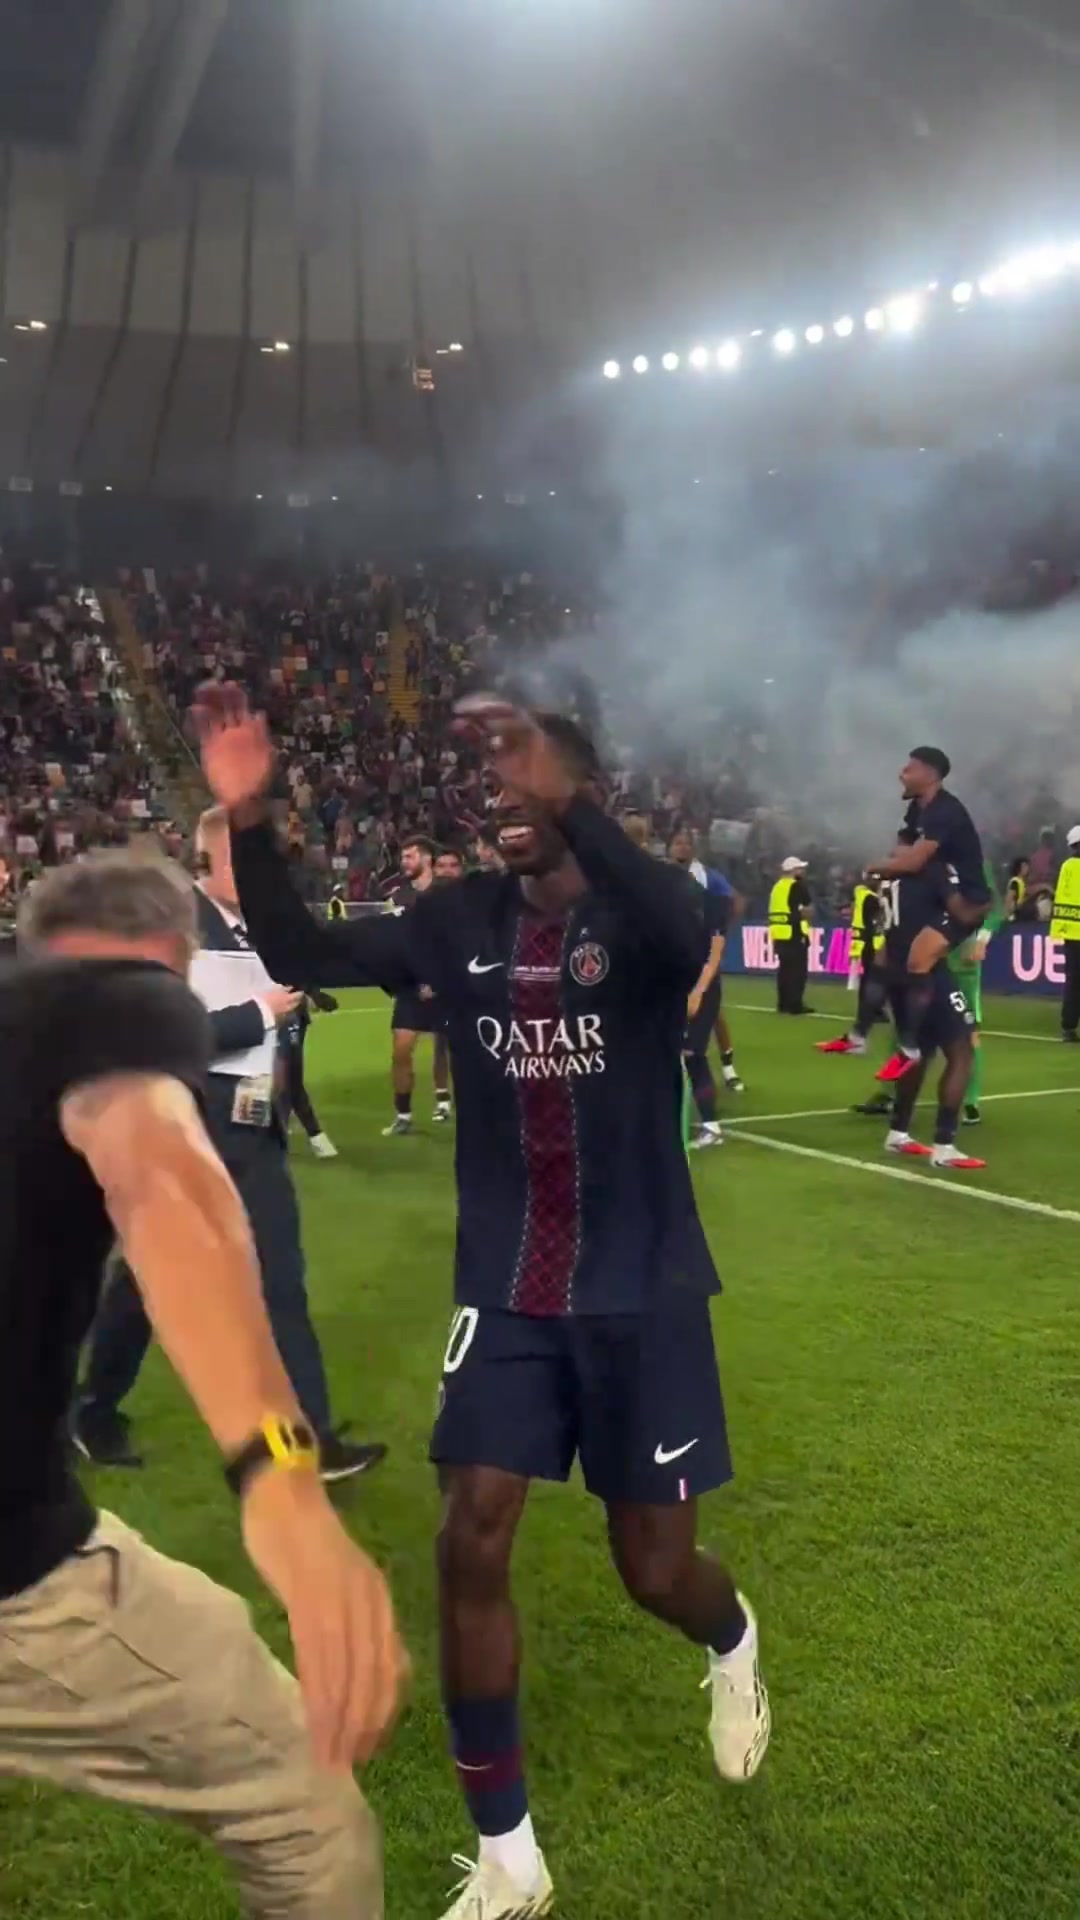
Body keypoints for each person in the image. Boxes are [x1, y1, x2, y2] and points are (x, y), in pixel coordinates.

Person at [197, 684, 770, 1920]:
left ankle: (732, 1642)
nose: (497, 798)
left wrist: (573, 800)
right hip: (507, 1287)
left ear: (576, 789)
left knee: (655, 1570)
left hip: (640, 1288)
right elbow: (300, 953)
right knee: (471, 1531)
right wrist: (246, 815)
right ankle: (510, 1855)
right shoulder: (453, 920)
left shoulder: (641, 916)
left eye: (523, 777)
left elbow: (684, 931)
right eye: (489, 783)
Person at [1, 852, 406, 1920]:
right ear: (171, 953)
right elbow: (162, 1175)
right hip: (17, 1578)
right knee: (304, 1808)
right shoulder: (121, 998)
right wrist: (281, 1484)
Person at [74, 809, 381, 1479]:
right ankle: (91, 1408)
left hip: (253, 1132)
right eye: (243, 859)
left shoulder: (261, 928)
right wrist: (257, 1014)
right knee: (147, 1284)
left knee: (280, 1281)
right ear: (206, 861)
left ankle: (311, 1438)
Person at [819, 749, 988, 1078]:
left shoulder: (946, 811)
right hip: (934, 896)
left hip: (964, 903)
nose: (901, 773)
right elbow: (902, 851)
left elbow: (910, 861)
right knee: (883, 959)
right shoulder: (917, 809)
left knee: (917, 960)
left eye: (909, 769)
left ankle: (909, 1049)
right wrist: (903, 859)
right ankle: (858, 1037)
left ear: (930, 775)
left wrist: (875, 866)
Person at [382, 835, 451, 1133]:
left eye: (410, 856)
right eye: (403, 857)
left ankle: (445, 1101)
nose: (404, 862)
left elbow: (455, 941)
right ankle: (403, 1116)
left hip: (445, 986)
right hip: (410, 987)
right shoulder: (398, 896)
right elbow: (390, 940)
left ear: (426, 859)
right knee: (400, 1051)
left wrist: (437, 979)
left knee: (447, 1049)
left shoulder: (447, 894)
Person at [668, 826, 744, 1091]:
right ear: (669, 847)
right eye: (677, 843)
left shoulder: (707, 877)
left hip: (701, 956)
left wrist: (719, 931)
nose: (682, 847)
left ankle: (728, 1068)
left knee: (713, 1013)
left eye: (686, 843)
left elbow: (735, 901)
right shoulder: (662, 874)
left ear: (694, 848)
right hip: (673, 956)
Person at [667, 830, 727, 1148]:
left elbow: (715, 952)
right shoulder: (665, 908)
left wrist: (698, 991)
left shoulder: (711, 903)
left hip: (702, 987)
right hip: (675, 987)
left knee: (693, 1054)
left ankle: (712, 1127)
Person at [281, 989, 340, 1158]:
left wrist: (313, 994)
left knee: (289, 1079)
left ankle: (314, 1136)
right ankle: (315, 1137)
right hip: (280, 1011)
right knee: (287, 1080)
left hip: (286, 1013)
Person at [768, 855, 812, 1015]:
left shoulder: (777, 887)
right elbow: (806, 910)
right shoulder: (797, 886)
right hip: (795, 932)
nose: (803, 871)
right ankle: (795, 1004)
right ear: (793, 870)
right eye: (800, 868)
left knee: (784, 970)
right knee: (798, 971)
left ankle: (783, 1003)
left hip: (779, 934)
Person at [1050, 825, 1080, 1043]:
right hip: (1076, 933)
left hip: (1070, 933)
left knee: (1074, 982)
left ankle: (1068, 1026)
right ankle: (1068, 1026)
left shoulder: (1067, 866)